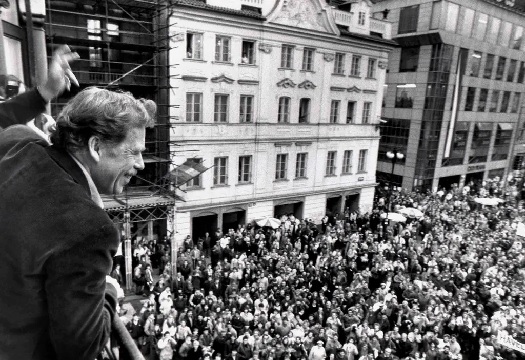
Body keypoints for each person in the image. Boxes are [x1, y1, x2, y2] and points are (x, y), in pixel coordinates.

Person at [0, 52, 155, 358]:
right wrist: (109, 289)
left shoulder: (17, 140)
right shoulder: (89, 230)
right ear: (95, 146)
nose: (141, 164)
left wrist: (41, 95)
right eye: (134, 151)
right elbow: (80, 348)